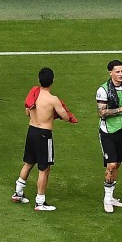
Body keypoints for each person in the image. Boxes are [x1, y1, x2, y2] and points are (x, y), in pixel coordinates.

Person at [13, 67, 76, 211]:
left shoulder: (34, 94)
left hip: (32, 130)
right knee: (44, 168)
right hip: (43, 135)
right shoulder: (53, 100)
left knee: (29, 162)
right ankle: (40, 202)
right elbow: (66, 117)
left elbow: (27, 112)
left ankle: (18, 193)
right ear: (52, 81)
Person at [95, 59, 122, 214]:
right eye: (117, 72)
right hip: (108, 132)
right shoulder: (103, 90)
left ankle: (111, 196)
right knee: (111, 165)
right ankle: (107, 198)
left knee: (118, 164)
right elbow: (102, 112)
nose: (120, 74)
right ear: (110, 73)